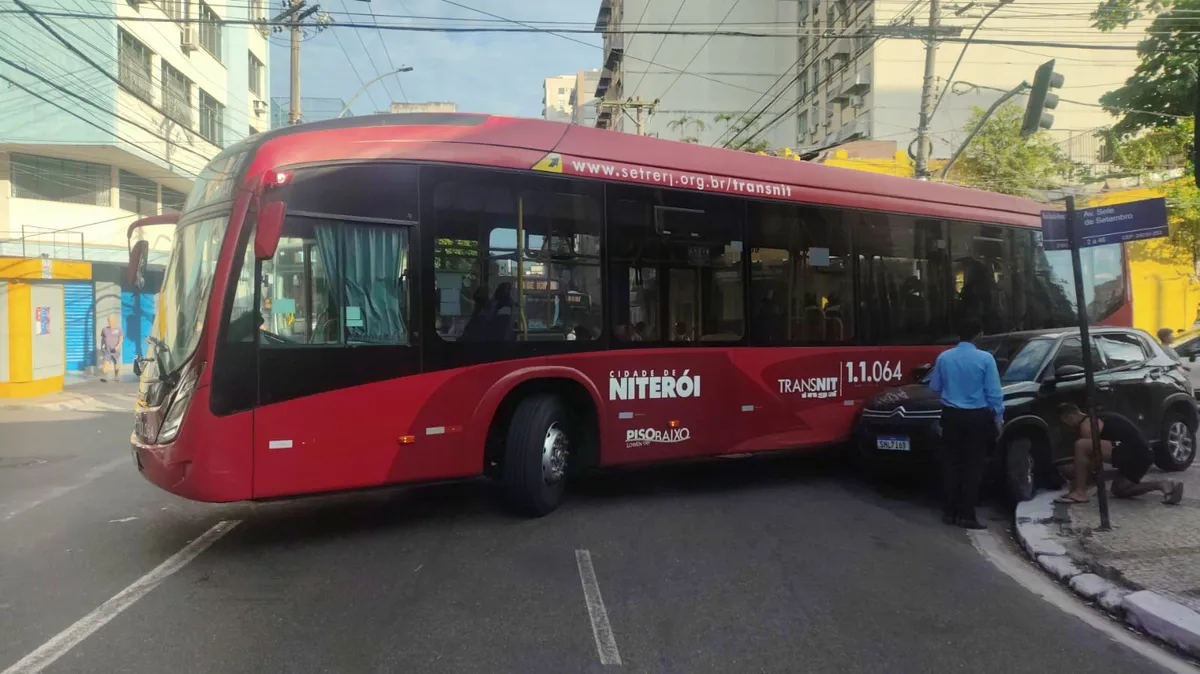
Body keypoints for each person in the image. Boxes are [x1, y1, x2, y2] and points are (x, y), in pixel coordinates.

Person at [927, 317, 1004, 529]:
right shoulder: (986, 359)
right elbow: (994, 393)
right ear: (978, 335)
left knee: (951, 465)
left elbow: (934, 386)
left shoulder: (944, 357)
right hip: (977, 417)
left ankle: (949, 513)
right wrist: (998, 418)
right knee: (973, 467)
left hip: (951, 415)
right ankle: (967, 515)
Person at [1054, 403, 1183, 505]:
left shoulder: (1088, 425)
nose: (1067, 426)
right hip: (1144, 455)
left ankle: (1080, 494)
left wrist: (1078, 483)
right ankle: (1162, 484)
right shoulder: (1099, 417)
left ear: (1069, 417)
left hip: (1133, 451)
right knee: (1119, 489)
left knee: (1081, 445)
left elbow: (1093, 461)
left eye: (1065, 422)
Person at [99, 315, 123, 382]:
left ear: (115, 321)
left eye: (112, 321)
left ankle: (117, 376)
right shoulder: (104, 329)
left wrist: (118, 346)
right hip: (107, 349)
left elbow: (121, 339)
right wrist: (102, 346)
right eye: (109, 321)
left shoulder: (119, 329)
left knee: (116, 362)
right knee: (106, 362)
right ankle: (104, 376)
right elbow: (103, 339)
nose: (110, 322)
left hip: (115, 349)